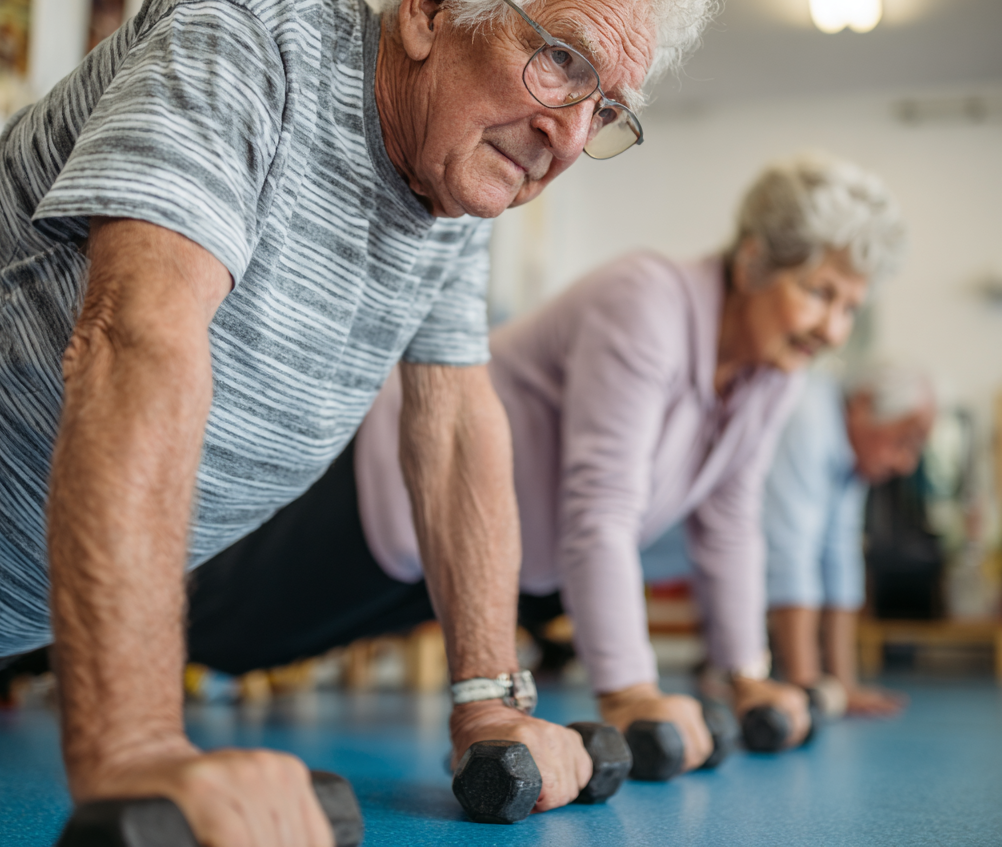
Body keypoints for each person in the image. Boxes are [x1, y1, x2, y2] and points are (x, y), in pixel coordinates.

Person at [0, 0, 715, 845]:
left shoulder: (452, 181)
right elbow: (133, 337)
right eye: (562, 62)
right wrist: (140, 749)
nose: (569, 136)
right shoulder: (259, 28)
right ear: (433, 3)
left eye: (605, 109)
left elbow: (453, 427)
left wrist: (491, 704)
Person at [190, 154, 905, 776]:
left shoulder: (772, 374)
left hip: (499, 565)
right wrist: (629, 694)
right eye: (818, 293)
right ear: (752, 260)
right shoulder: (648, 301)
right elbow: (601, 509)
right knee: (223, 634)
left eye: (850, 305)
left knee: (250, 647)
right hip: (397, 493)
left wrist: (748, 676)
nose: (832, 329)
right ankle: (83, 633)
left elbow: (730, 524)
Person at [765, 364, 934, 716]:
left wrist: (843, 687)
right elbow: (789, 553)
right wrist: (808, 691)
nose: (906, 464)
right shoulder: (808, 415)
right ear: (863, 404)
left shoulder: (851, 453)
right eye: (904, 441)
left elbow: (840, 557)